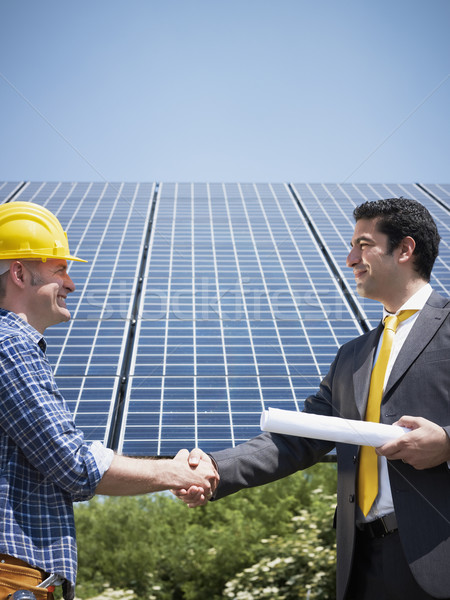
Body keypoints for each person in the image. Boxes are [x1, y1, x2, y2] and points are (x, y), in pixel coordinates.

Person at [176, 197, 450, 600]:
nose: (350, 258)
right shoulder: (352, 357)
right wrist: (216, 468)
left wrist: (446, 443)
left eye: (363, 244)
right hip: (363, 565)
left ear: (405, 249)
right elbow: (298, 439)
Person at [0, 202, 219, 600]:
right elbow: (74, 466)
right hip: (11, 576)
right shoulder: (9, 344)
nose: (71, 283)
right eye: (59, 269)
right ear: (18, 273)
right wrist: (174, 473)